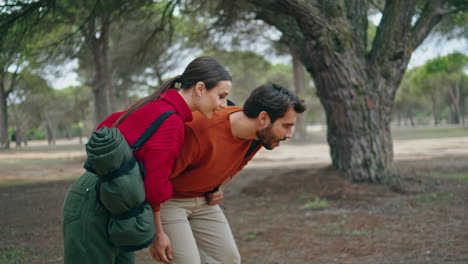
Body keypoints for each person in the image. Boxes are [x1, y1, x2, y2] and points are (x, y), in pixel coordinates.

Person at [62, 56, 232, 264]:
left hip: (112, 198)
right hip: (97, 200)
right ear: (199, 88)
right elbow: (155, 186)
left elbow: (105, 127)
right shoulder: (171, 121)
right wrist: (159, 234)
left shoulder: (156, 105)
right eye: (221, 96)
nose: (224, 105)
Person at [153, 83, 307, 264]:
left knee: (228, 259)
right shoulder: (200, 130)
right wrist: (158, 233)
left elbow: (233, 166)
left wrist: (216, 186)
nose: (290, 134)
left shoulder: (257, 138)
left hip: (204, 201)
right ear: (263, 118)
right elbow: (156, 180)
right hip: (169, 201)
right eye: (286, 126)